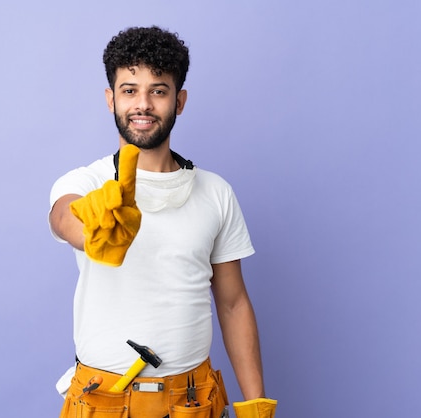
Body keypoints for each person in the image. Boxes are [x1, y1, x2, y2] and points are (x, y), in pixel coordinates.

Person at [49, 26, 277, 418]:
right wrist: (92, 227)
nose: (143, 104)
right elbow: (63, 217)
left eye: (158, 90)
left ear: (179, 100)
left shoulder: (215, 192)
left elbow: (234, 302)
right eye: (129, 90)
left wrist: (255, 403)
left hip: (193, 401)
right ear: (111, 99)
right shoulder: (86, 181)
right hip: (103, 400)